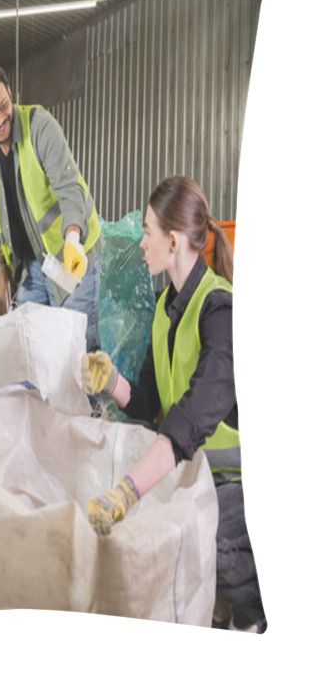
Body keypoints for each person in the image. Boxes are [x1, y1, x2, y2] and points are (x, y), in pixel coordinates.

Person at [81, 175, 266, 633]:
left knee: (209, 539)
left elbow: (190, 419)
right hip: (197, 473)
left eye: (147, 231)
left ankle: (259, 617)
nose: (142, 243)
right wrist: (113, 380)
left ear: (174, 240)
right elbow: (147, 403)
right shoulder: (165, 310)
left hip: (240, 478)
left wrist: (128, 490)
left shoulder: (220, 310)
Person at [0, 64, 103, 353]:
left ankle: (92, 401)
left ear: (10, 95)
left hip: (69, 257)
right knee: (32, 355)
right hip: (31, 269)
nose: (1, 119)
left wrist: (73, 239)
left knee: (76, 354)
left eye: (4, 106)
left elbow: (69, 187)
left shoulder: (40, 126)